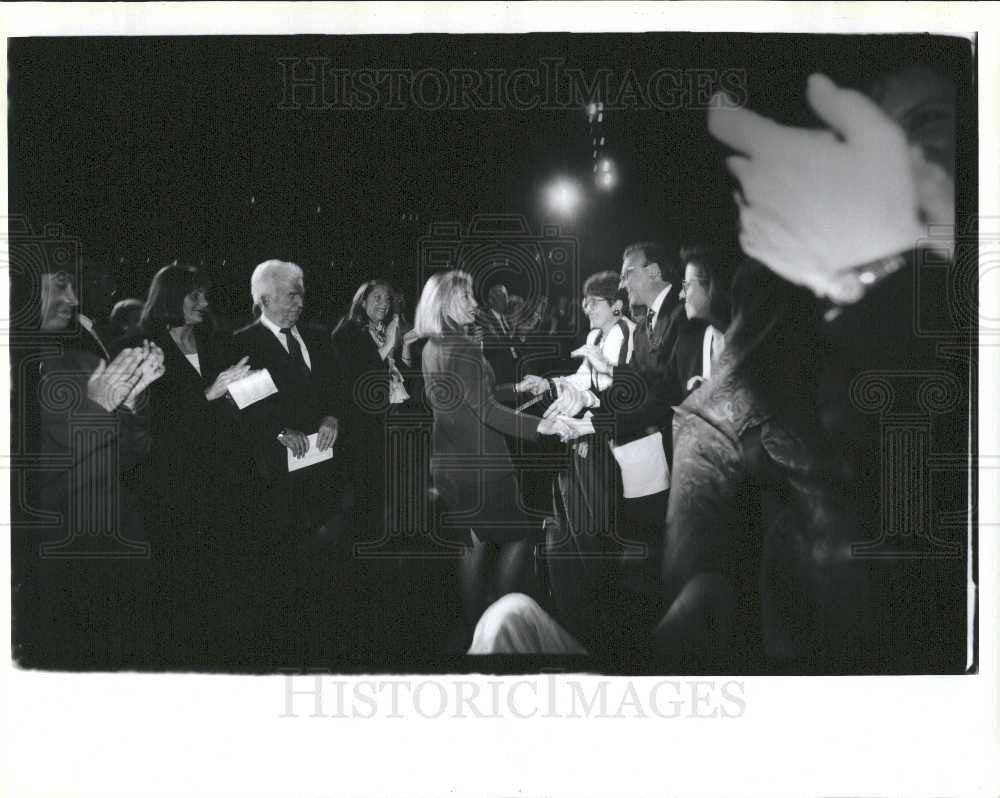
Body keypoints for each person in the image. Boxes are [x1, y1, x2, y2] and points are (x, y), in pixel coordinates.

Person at [16, 264, 165, 668]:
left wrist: (133, 403)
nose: (75, 300)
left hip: (115, 548)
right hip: (52, 564)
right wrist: (97, 407)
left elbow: (132, 455)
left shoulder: (81, 361)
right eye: (60, 286)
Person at [414, 270, 571, 643]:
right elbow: (487, 410)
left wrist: (516, 388)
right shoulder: (464, 347)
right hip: (483, 469)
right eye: (467, 297)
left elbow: (474, 396)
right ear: (449, 302)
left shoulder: (433, 347)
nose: (475, 304)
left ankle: (477, 626)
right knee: (523, 534)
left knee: (474, 542)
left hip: (451, 465)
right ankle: (503, 621)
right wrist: (541, 427)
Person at [133, 263, 252, 665]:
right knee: (178, 576)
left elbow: (230, 405)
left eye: (204, 295)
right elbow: (147, 423)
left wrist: (240, 394)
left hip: (219, 474)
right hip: (171, 479)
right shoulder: (142, 346)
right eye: (194, 295)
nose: (204, 303)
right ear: (171, 298)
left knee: (219, 573)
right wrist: (208, 395)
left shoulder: (212, 339)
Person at [229, 259, 346, 664]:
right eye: (292, 293)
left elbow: (336, 386)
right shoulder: (241, 342)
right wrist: (280, 430)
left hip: (325, 470)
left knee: (329, 557)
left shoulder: (318, 334)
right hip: (277, 478)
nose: (300, 301)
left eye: (301, 292)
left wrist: (332, 415)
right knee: (287, 566)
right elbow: (247, 406)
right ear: (264, 298)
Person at [675, 244, 731, 395]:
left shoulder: (751, 344)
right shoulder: (689, 346)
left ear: (712, 285)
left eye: (687, 285)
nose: (681, 294)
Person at [478, 282, 520, 385]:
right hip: (498, 372)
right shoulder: (484, 318)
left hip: (512, 368)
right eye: (501, 296)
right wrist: (513, 329)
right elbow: (494, 343)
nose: (505, 300)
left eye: (506, 296)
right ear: (491, 300)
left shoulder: (505, 318)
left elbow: (512, 342)